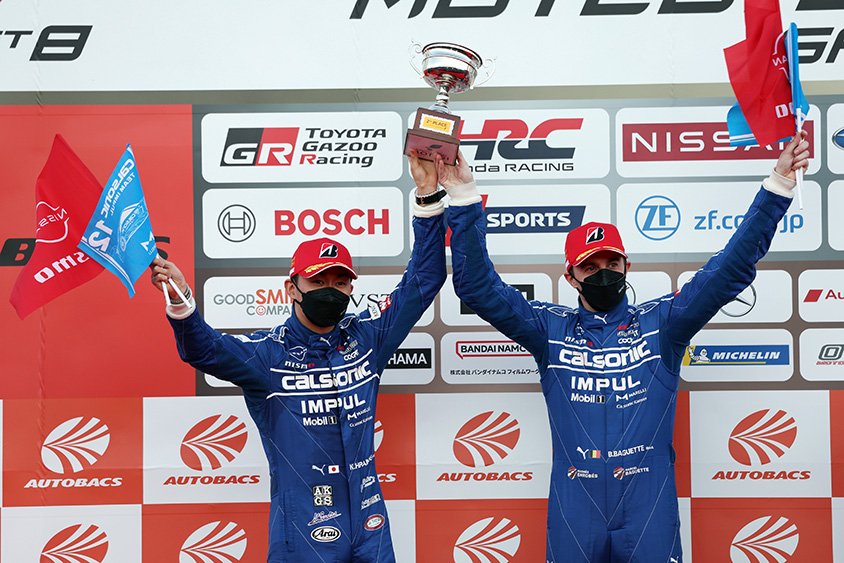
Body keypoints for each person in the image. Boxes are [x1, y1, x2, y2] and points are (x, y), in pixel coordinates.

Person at [443, 131, 810, 562]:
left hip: (647, 504)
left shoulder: (663, 322)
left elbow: (728, 271)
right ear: (570, 276)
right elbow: (478, 288)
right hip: (575, 504)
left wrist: (777, 187)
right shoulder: (548, 328)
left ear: (627, 266)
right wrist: (463, 197)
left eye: (612, 263)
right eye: (590, 267)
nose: (603, 273)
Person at [150, 152, 450, 563]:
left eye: (340, 282)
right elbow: (204, 349)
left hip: (370, 523)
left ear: (351, 289)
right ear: (291, 288)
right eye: (318, 280)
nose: (330, 290)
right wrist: (182, 301)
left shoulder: (368, 337)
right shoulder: (267, 355)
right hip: (303, 529)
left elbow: (425, 278)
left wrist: (428, 196)